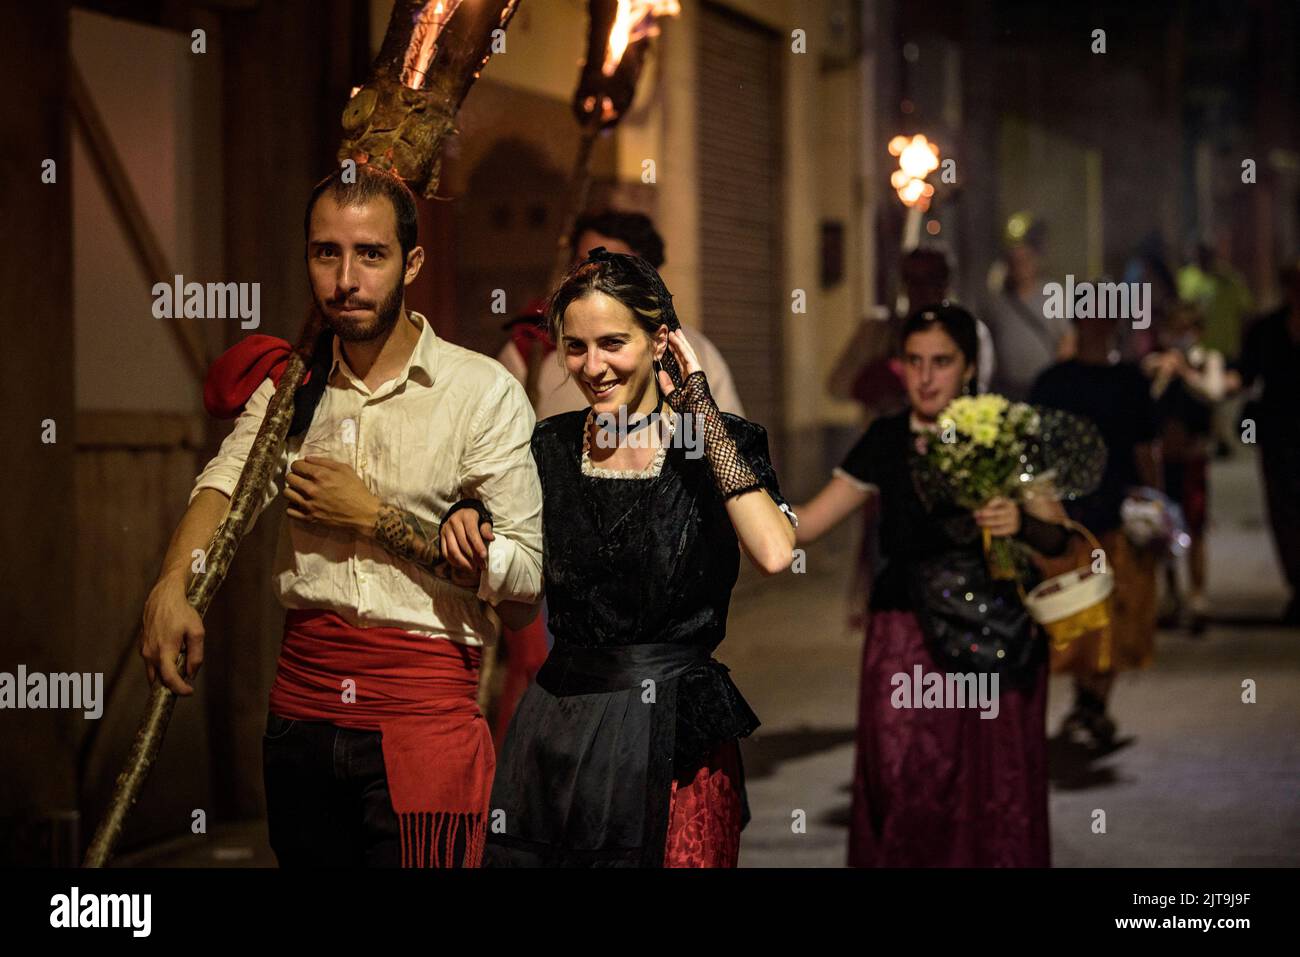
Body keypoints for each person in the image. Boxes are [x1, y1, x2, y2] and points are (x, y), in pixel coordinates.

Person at [139, 165, 544, 867]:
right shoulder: (295, 386)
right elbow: (225, 486)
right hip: (301, 715)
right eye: (327, 252)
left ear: (411, 262)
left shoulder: (480, 392)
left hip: (426, 721)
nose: (346, 278)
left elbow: (525, 586)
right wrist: (173, 583)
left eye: (371, 253)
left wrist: (372, 517)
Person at [484, 248, 797, 867]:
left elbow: (774, 550)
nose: (592, 366)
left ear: (661, 343)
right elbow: (519, 612)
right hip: (563, 729)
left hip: (677, 737)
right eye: (575, 347)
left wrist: (702, 414)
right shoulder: (547, 449)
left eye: (612, 343)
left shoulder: (715, 444)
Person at [796, 304, 1073, 867]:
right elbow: (801, 527)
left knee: (993, 791)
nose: (925, 377)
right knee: (904, 779)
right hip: (905, 636)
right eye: (913, 361)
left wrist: (1021, 523)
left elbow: (1060, 540)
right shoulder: (886, 438)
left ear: (969, 367)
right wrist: (723, 479)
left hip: (996, 636)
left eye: (941, 362)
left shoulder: (1004, 431)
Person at [1031, 312, 1162, 748]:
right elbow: (1033, 452)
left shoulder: (1128, 381)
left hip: (1116, 514)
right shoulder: (1054, 382)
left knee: (1117, 611)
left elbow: (1145, 448)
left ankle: (1094, 700)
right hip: (1066, 518)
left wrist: (1155, 500)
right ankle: (1088, 697)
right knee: (1080, 610)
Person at [497, 210, 745, 418]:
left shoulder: (692, 353)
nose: (592, 368)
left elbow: (727, 444)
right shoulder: (530, 346)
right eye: (582, 263)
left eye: (611, 266)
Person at [1143, 301, 1226, 633]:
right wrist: (1164, 373)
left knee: (1196, 525)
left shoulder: (1208, 360)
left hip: (1193, 456)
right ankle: (1170, 593)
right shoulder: (1155, 364)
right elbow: (1146, 399)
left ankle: (1197, 593)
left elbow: (1214, 392)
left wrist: (1187, 373)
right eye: (1174, 330)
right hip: (1164, 460)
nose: (1180, 337)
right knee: (1165, 528)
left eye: (1186, 330)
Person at [1234, 258, 1300, 624]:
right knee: (1284, 513)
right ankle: (1296, 585)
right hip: (1277, 434)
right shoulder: (1268, 329)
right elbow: (1244, 375)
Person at [983, 213, 1075, 400]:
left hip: (1045, 390)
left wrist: (1057, 382)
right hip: (1008, 390)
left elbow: (1068, 341)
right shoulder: (998, 302)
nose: (1021, 265)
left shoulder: (1053, 293)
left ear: (1036, 258)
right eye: (1015, 260)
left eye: (1025, 258)